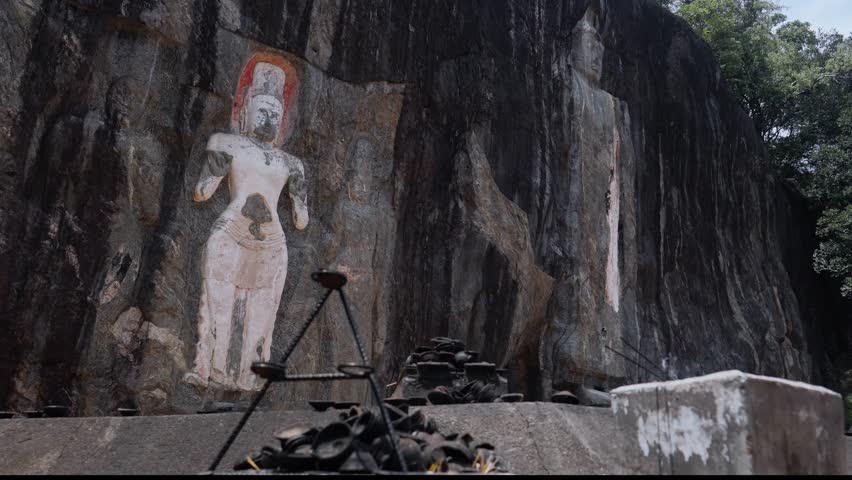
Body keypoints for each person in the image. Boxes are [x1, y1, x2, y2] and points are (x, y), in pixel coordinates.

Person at [184, 62, 308, 391]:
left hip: (271, 241)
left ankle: (250, 379)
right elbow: (202, 192)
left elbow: (301, 220)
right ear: (246, 110)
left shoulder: (291, 162)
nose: (269, 118)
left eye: (275, 114)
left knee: (262, 314)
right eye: (262, 110)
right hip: (232, 231)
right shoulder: (228, 143)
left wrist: (299, 190)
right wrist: (215, 163)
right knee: (217, 302)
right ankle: (206, 368)